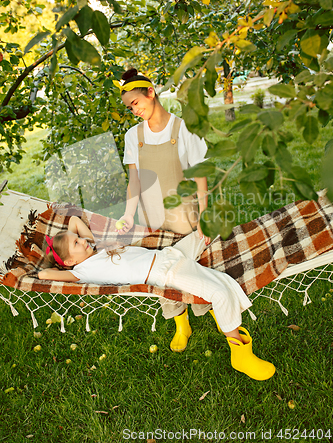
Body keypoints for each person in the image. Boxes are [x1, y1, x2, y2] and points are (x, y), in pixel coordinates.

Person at [38, 216, 276, 381]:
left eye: (79, 238)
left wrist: (64, 239)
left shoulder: (96, 247)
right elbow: (44, 274)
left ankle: (260, 239)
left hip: (170, 255)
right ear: (69, 262)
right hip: (167, 273)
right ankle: (240, 355)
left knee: (211, 229)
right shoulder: (80, 272)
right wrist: (51, 256)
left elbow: (75, 223)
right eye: (77, 243)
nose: (83, 241)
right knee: (220, 293)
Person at [113, 67, 213, 353]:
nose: (133, 110)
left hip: (185, 213)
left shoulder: (183, 129)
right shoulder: (134, 136)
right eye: (129, 107)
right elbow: (135, 180)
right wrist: (129, 214)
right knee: (160, 272)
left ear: (151, 92)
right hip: (151, 216)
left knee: (193, 267)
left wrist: (204, 215)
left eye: (136, 102)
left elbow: (200, 175)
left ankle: (210, 308)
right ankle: (180, 323)